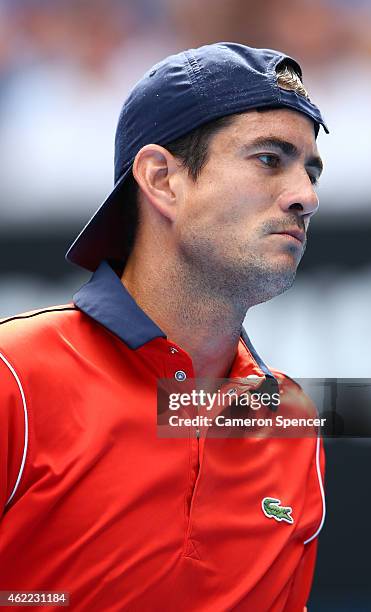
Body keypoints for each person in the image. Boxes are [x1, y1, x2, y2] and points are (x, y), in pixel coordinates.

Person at [0, 43, 327, 611]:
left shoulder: (293, 421)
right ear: (162, 179)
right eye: (270, 159)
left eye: (311, 169)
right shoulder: (14, 379)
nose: (306, 196)